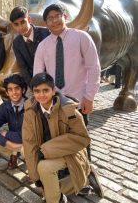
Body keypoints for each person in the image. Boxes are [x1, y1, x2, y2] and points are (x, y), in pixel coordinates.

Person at [33, 4, 101, 160]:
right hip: (54, 102)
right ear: (46, 23)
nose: (54, 21)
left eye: (57, 16)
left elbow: (94, 68)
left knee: (81, 138)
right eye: (49, 18)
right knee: (57, 138)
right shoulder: (43, 46)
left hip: (79, 100)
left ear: (65, 17)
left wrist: (89, 97)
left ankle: (86, 170)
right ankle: (65, 171)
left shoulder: (82, 37)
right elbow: (38, 75)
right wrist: (43, 100)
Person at [22, 72, 103, 203]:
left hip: (70, 152)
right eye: (37, 91)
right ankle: (83, 178)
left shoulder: (69, 110)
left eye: (45, 90)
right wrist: (36, 178)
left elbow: (83, 138)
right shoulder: (30, 111)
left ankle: (57, 199)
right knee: (31, 162)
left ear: (53, 91)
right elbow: (29, 142)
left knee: (44, 167)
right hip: (45, 151)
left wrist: (45, 150)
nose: (41, 95)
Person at [0, 74, 26, 169]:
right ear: (7, 93)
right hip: (17, 143)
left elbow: (27, 136)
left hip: (28, 142)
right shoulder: (4, 107)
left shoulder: (30, 106)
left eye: (17, 88)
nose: (14, 92)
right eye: (10, 90)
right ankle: (14, 153)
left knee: (27, 149)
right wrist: (10, 144)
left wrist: (5, 134)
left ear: (23, 90)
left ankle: (33, 166)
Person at [10, 6, 50, 94]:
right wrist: (33, 86)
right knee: (28, 105)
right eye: (16, 24)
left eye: (22, 22)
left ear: (28, 19)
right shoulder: (16, 43)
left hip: (51, 80)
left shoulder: (46, 33)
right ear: (13, 25)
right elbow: (23, 67)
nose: (20, 27)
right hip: (32, 82)